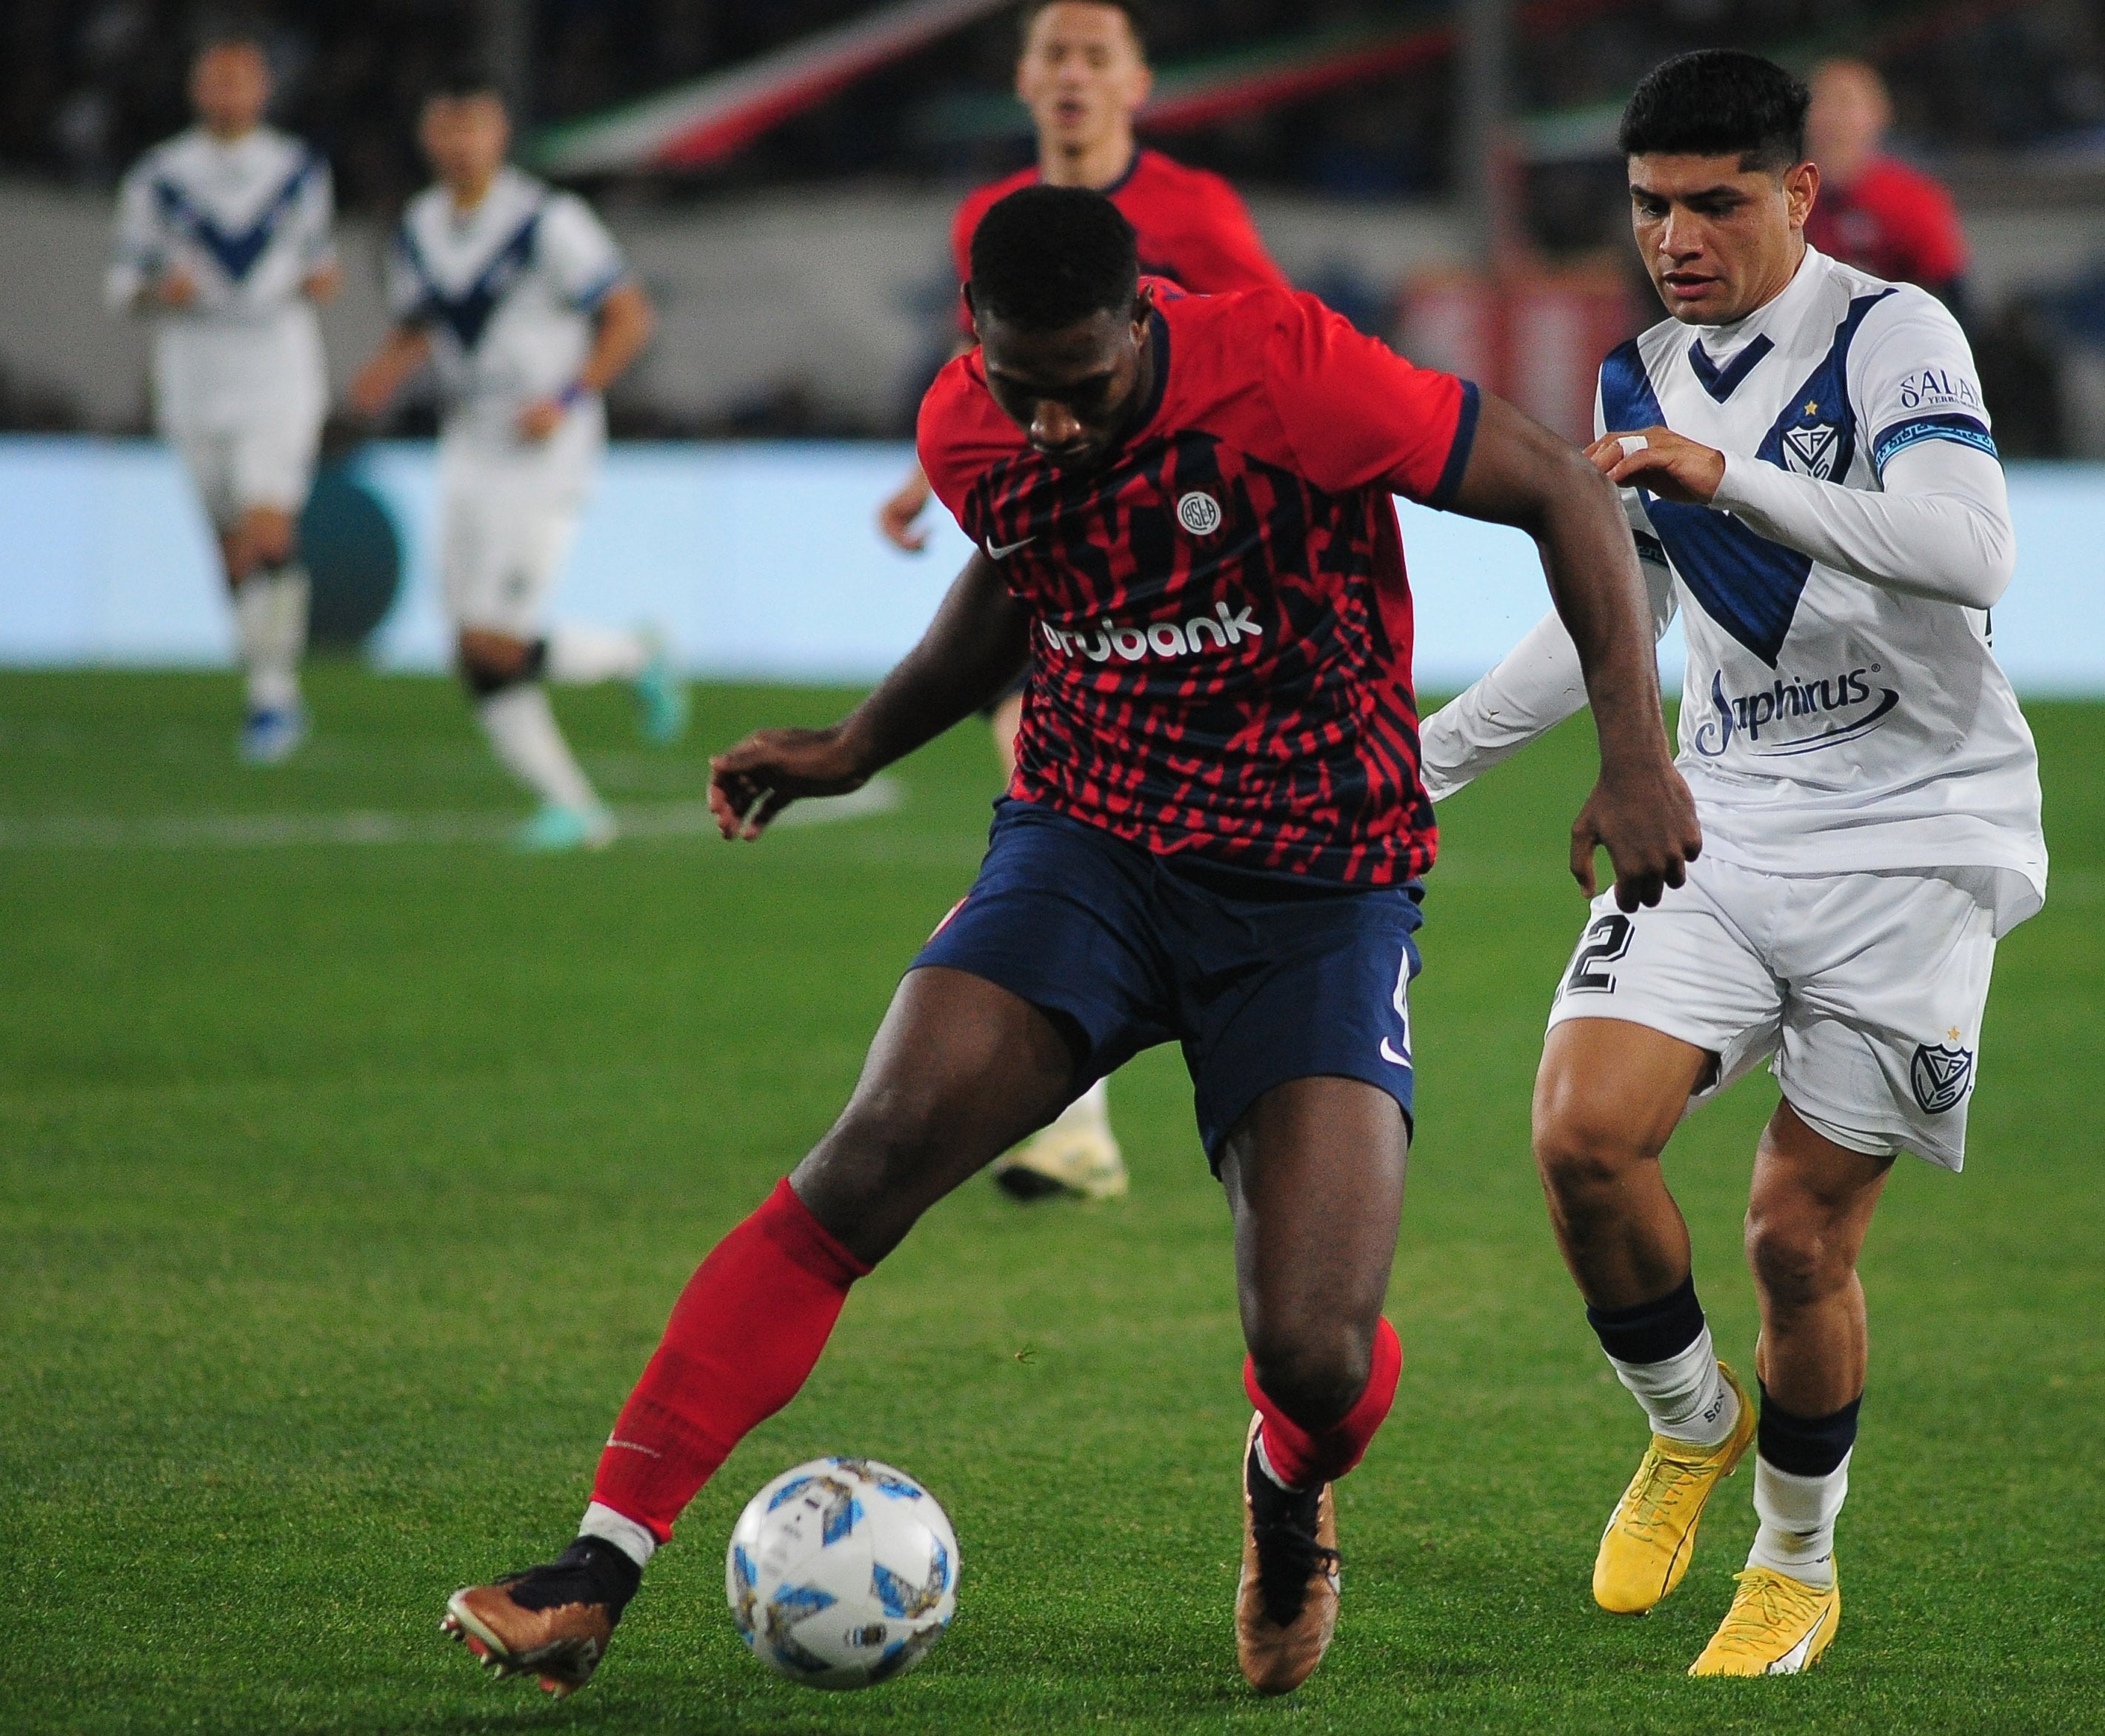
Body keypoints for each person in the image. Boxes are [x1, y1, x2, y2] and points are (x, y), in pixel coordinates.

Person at [438, 185, 1697, 1702]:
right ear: (973, 336)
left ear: (1142, 322)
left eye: (1081, 388)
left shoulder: (1290, 373)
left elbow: (1560, 487)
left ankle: (1287, 1490)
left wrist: (1634, 752)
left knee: (1311, 1345)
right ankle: (594, 1563)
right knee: (864, 1157)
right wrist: (857, 744)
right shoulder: (970, 424)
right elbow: (1015, 583)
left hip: (1312, 882)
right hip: (1088, 844)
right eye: (1016, 384)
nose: (1044, 422)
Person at [1419, 50, 2042, 1677]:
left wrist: (1732, 477)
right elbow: (1607, 615)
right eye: (1646, 205)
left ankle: (1793, 1555)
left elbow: (1971, 549)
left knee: (1791, 1238)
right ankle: (1688, 1421)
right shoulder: (1637, 378)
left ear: (1791, 196)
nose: (1673, 235)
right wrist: (1427, 760)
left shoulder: (1888, 332)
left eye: (1709, 202)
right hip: (1725, 809)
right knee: (1580, 1135)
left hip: (1915, 837)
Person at [878, 0, 1291, 1201]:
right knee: (1046, 792)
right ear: (1022, 79)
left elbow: (1279, 343)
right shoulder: (986, 220)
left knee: (1068, 814)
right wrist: (918, 480)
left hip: (1168, 569)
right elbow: (995, 376)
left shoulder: (1195, 211)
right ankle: (1076, 1116)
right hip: (1053, 557)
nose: (1070, 75)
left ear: (1137, 81)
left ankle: (1083, 1089)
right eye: (1052, 54)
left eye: (1092, 55)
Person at [347, 70, 682, 853]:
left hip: (546, 446)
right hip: (470, 443)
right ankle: (574, 808)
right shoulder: (419, 227)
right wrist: (365, 394)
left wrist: (568, 396)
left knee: (494, 639)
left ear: (500, 135)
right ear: (429, 137)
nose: (461, 144)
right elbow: (418, 327)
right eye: (446, 128)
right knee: (470, 648)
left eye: (476, 127)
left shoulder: (548, 221)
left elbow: (629, 316)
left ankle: (637, 655)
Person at [106, 36, 338, 765]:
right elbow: (120, 284)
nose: (229, 93)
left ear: (263, 88)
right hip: (194, 373)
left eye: (241, 79)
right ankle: (269, 687)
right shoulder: (158, 178)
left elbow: (318, 261)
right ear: (197, 90)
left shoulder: (297, 170)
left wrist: (314, 280)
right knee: (231, 546)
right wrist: (154, 291)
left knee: (270, 531)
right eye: (217, 81)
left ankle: (274, 694)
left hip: (276, 368)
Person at [1802, 58, 1967, 314]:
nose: (1831, 119)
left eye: (1844, 103)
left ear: (1878, 115)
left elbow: (1949, 294)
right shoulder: (1782, 197)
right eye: (1820, 103)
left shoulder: (1911, 199)